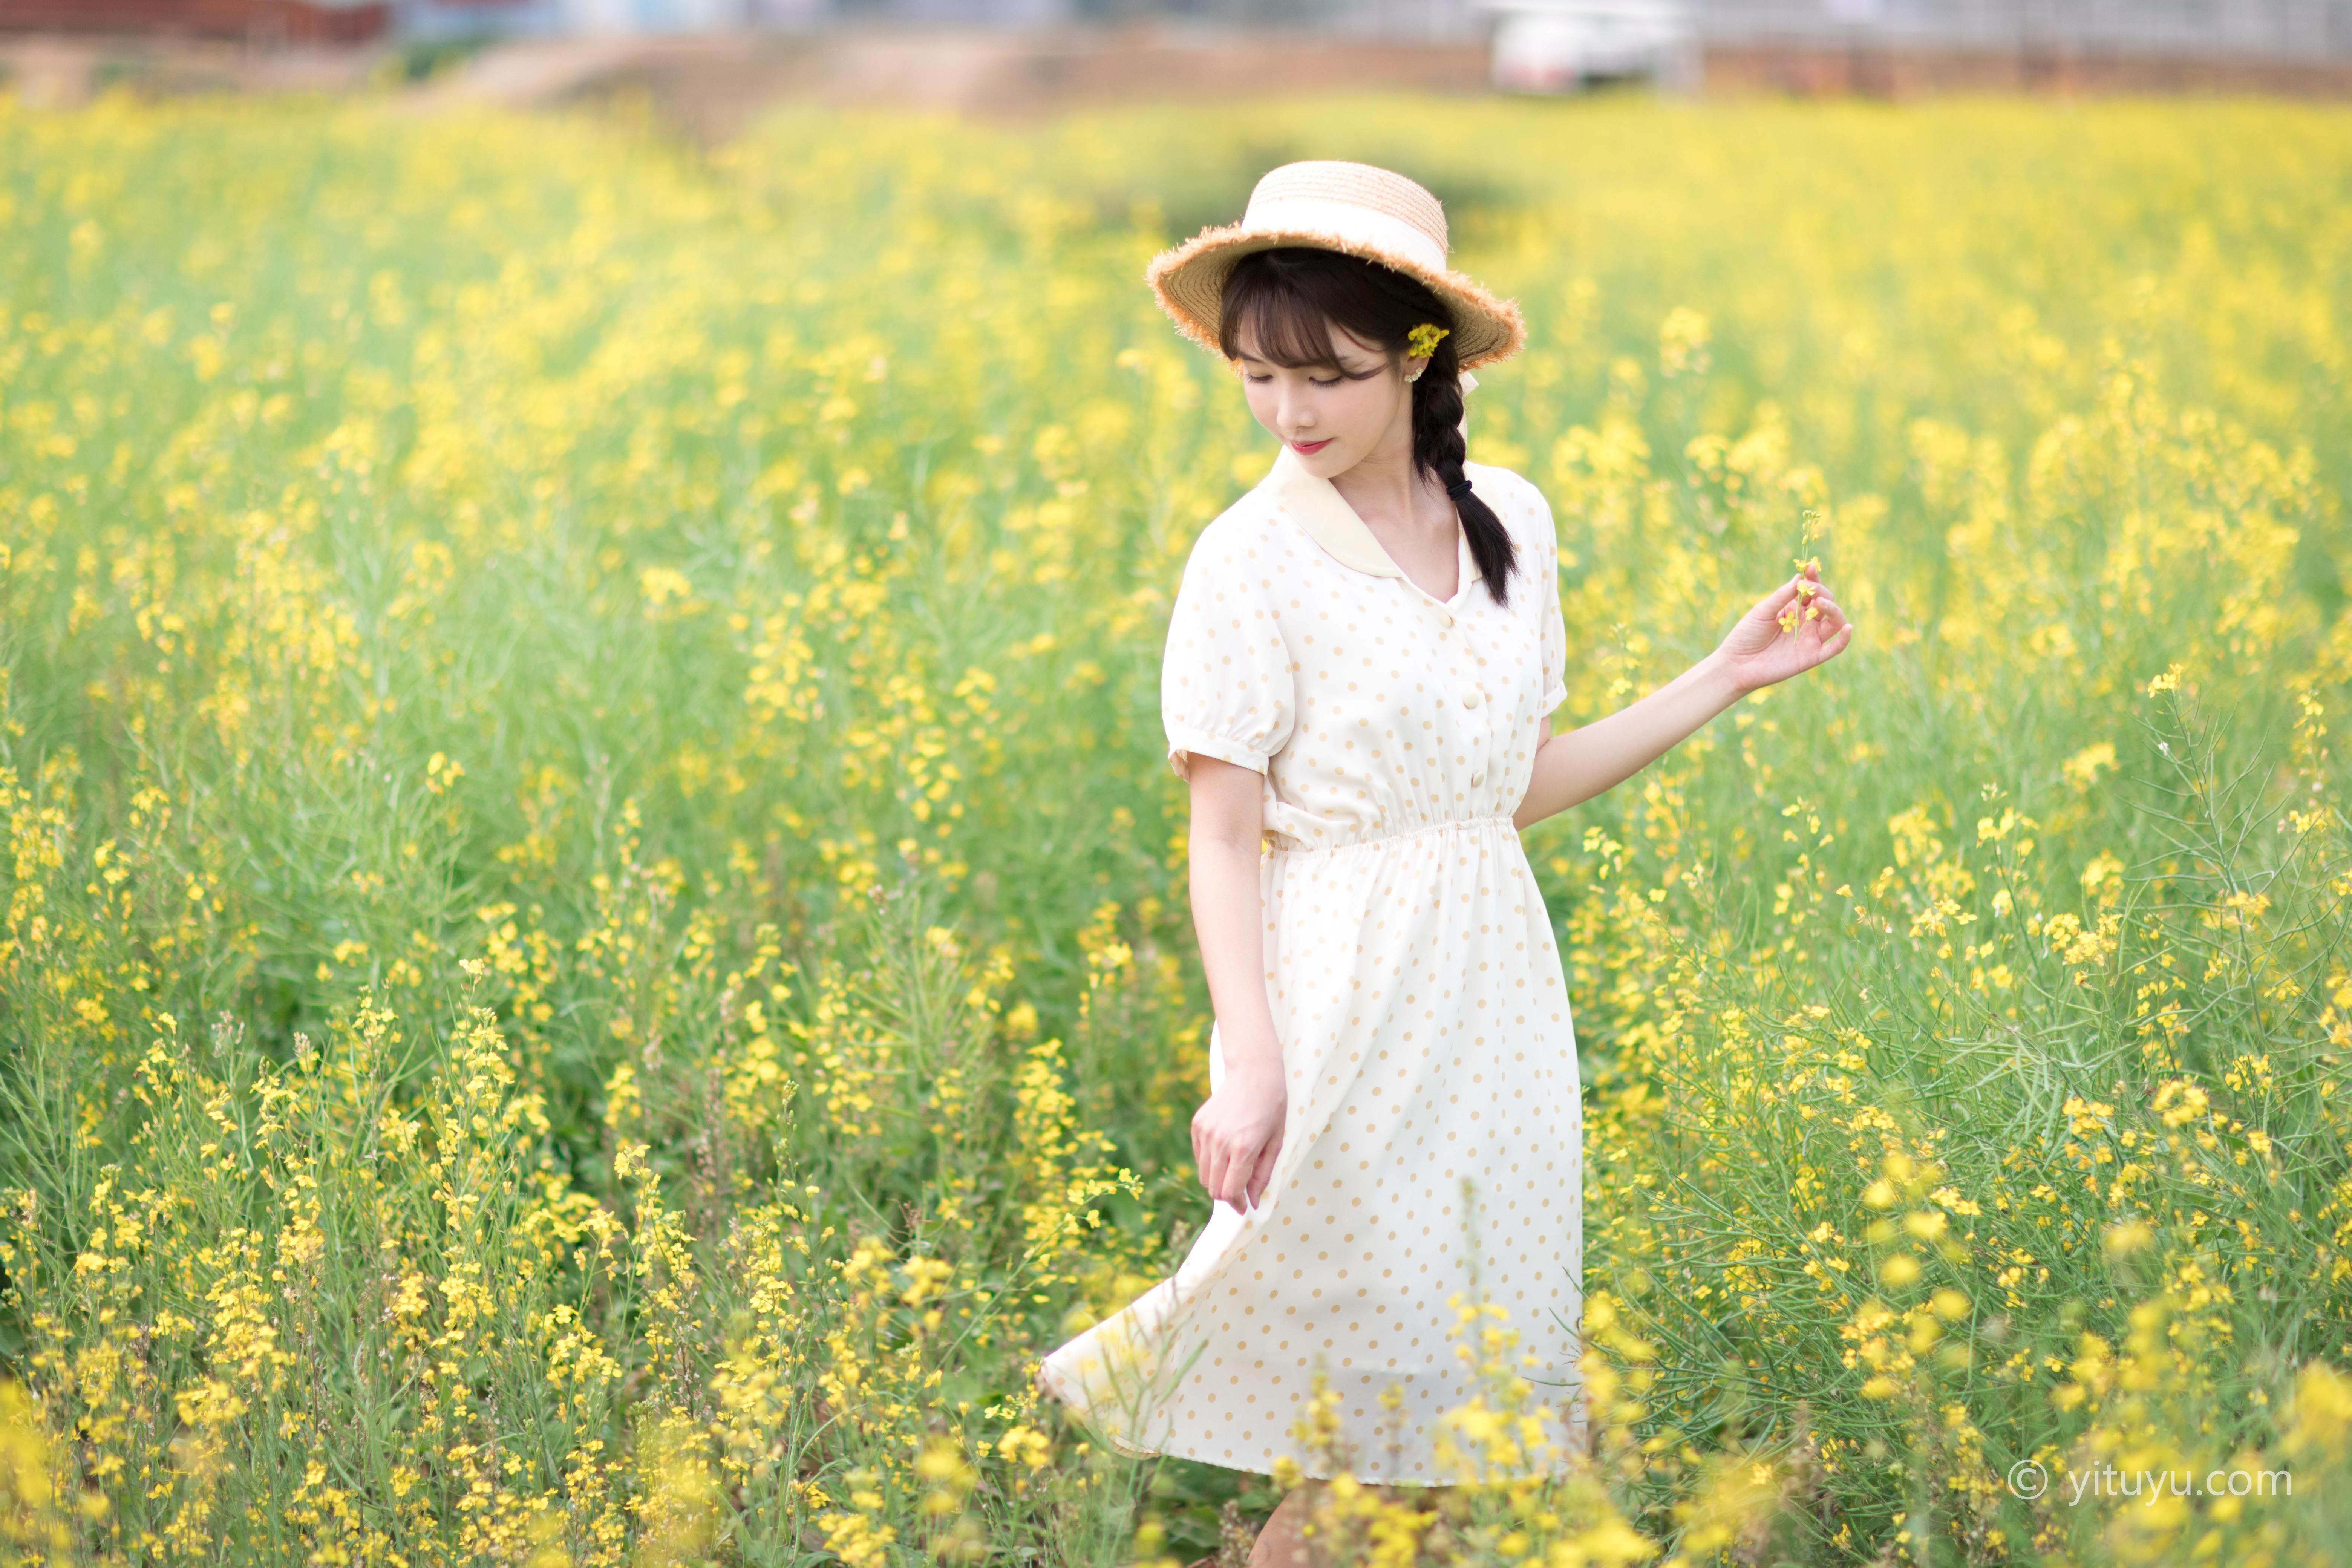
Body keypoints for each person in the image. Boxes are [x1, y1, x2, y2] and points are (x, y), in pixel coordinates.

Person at [1035, 161, 1852, 1567]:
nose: (1288, 415)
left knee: (1435, 1433)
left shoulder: (1511, 524)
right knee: (1369, 1440)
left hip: (1493, 1006)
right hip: (1343, 1000)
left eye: (1328, 379)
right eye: (1256, 378)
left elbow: (1504, 793)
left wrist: (1718, 680)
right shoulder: (1245, 564)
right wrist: (1252, 1058)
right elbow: (1223, 836)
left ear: (1418, 356)